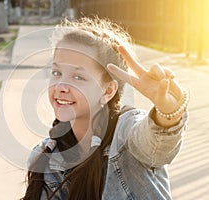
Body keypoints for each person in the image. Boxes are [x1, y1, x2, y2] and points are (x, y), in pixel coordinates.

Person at [22, 17, 189, 200]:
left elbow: (156, 146)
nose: (61, 85)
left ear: (108, 90)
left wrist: (168, 112)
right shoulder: (45, 157)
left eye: (78, 77)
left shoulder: (125, 133)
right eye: (57, 72)